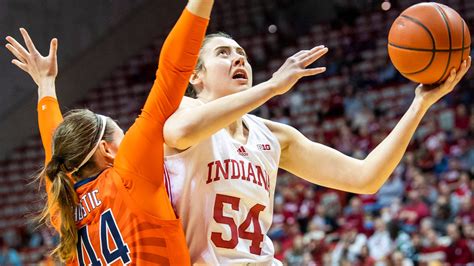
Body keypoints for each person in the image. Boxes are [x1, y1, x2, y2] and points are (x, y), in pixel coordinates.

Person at [162, 30, 471, 264]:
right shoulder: (183, 109)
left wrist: (420, 104)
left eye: (241, 52)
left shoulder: (272, 135)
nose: (239, 58)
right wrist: (271, 86)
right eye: (224, 53)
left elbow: (365, 177)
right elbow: (179, 133)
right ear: (196, 75)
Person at [5, 1, 212, 264]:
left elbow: (54, 147)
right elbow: (170, 75)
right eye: (122, 134)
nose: (128, 141)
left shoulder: (64, 206)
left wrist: (45, 85)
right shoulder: (127, 176)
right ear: (106, 149)